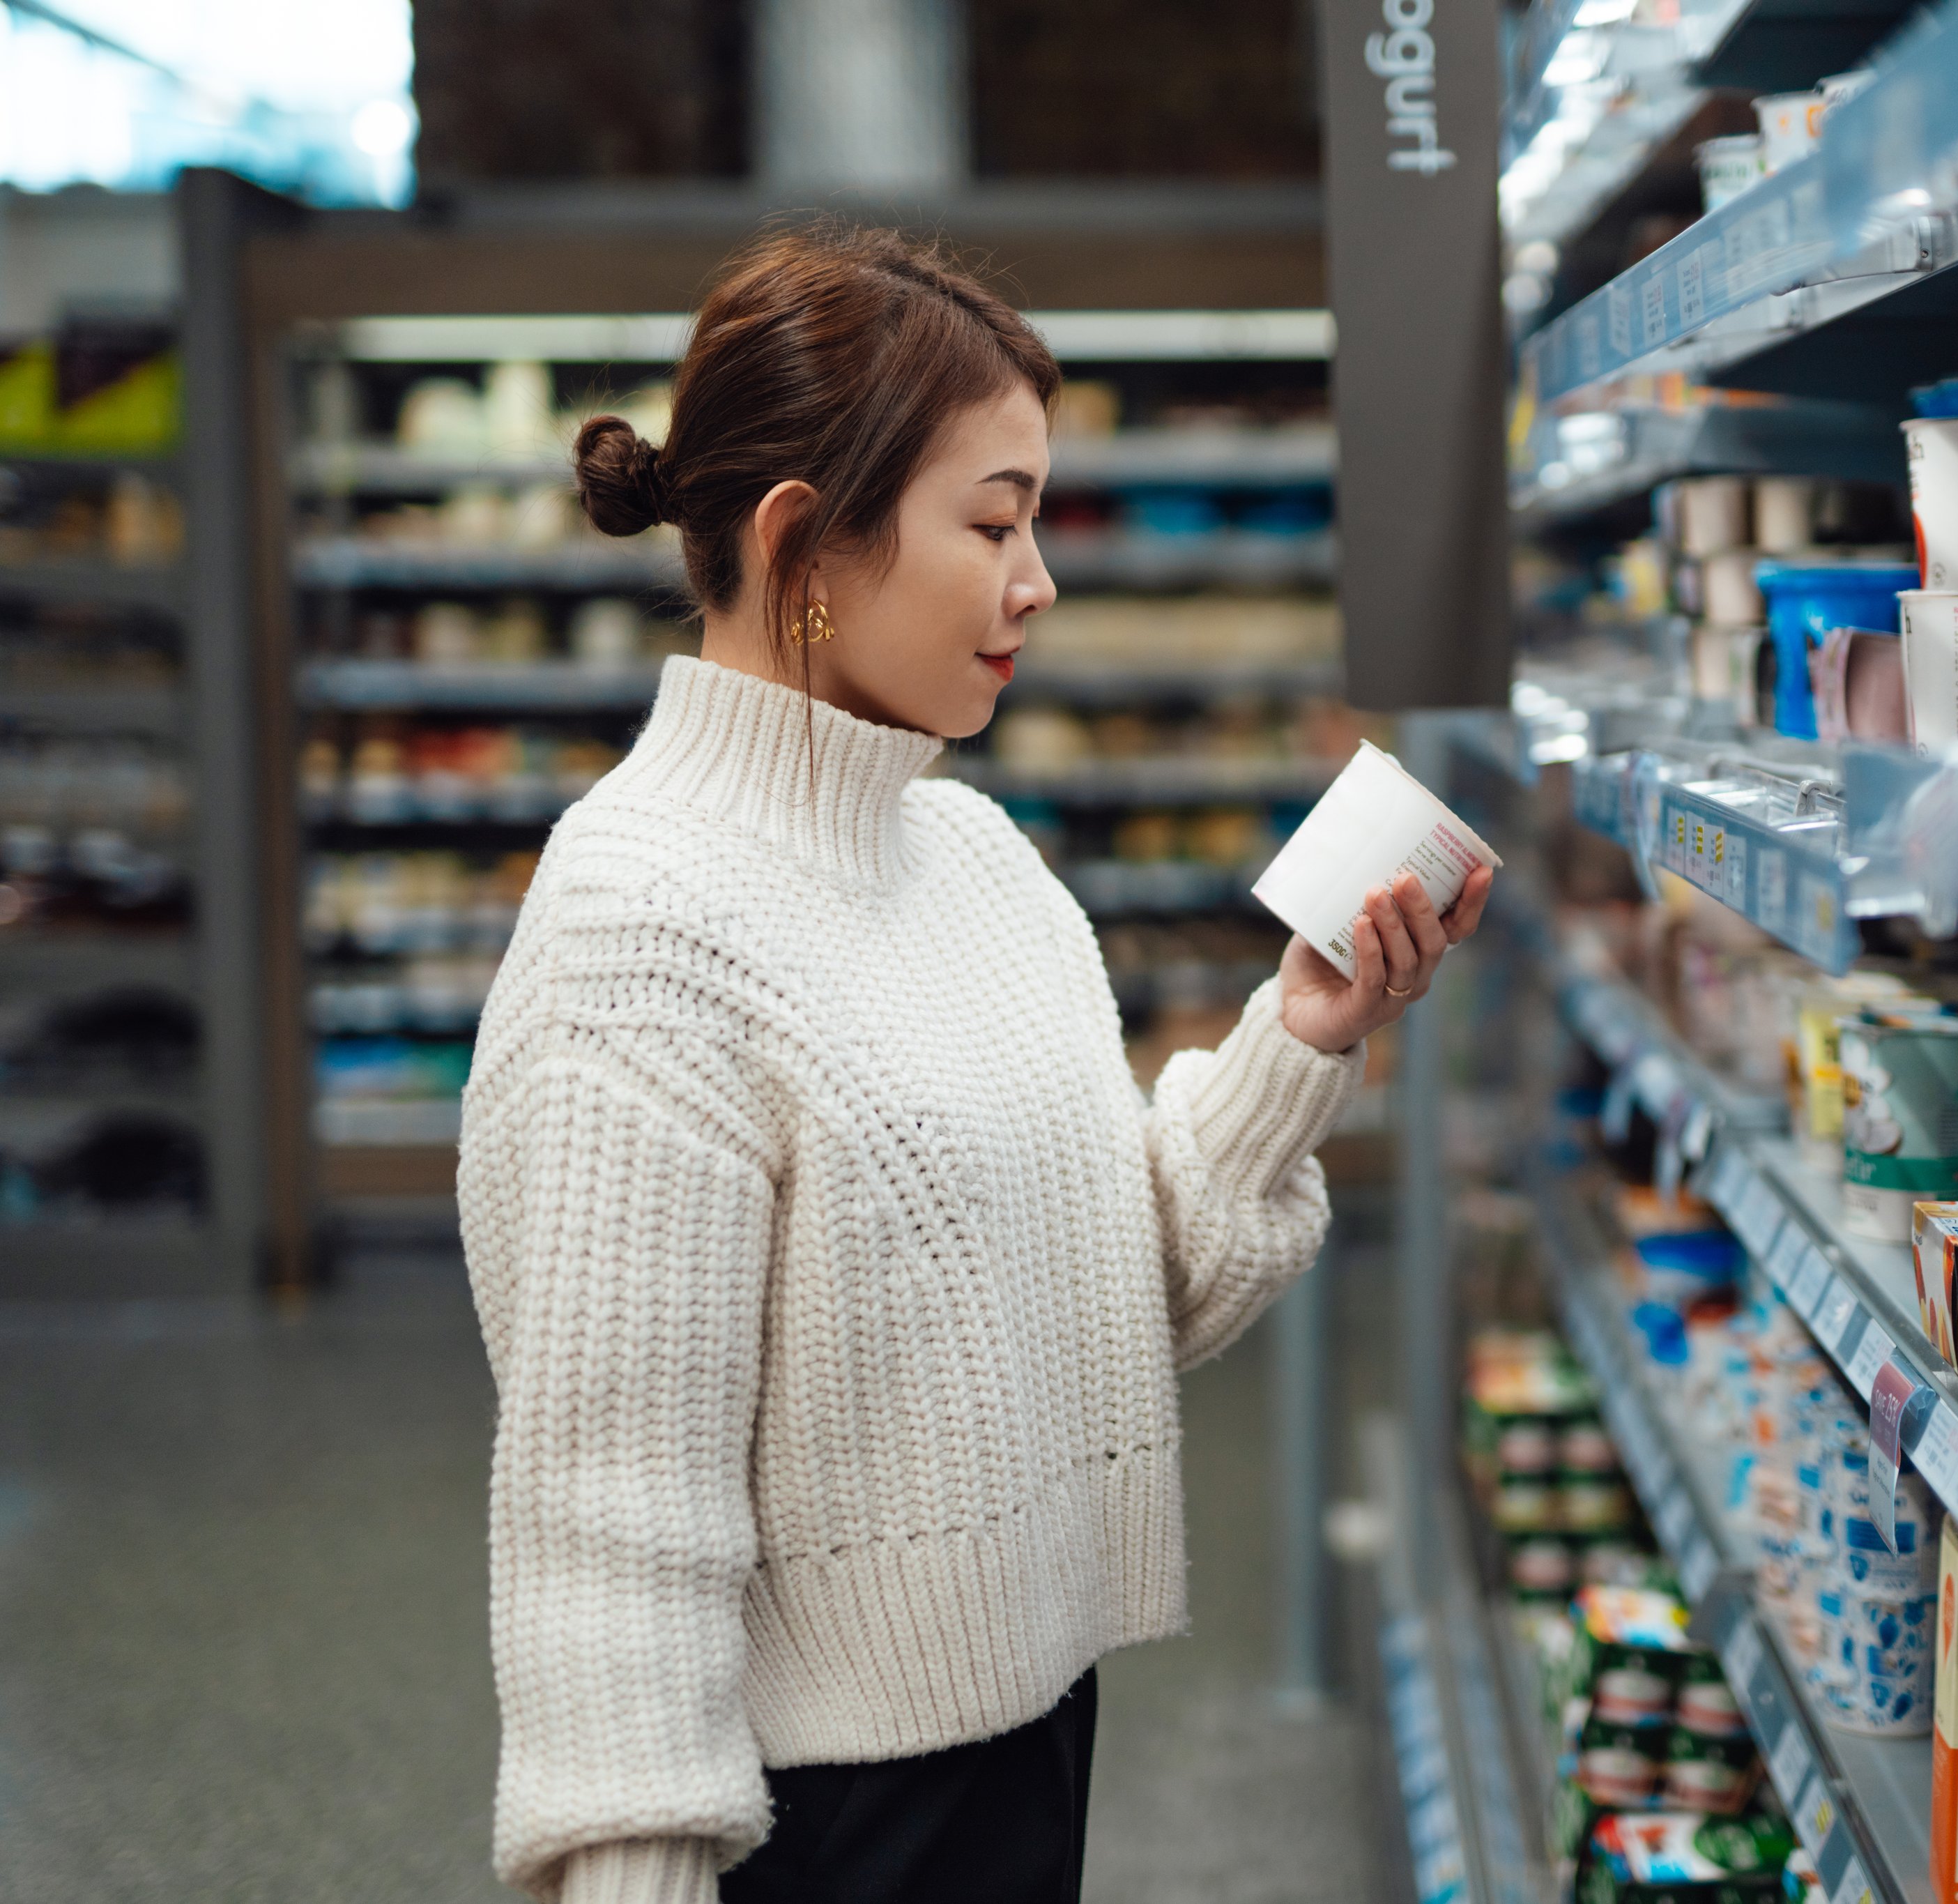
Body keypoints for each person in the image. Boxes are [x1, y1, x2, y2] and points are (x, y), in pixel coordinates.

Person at [458, 222, 1490, 1904]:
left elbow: (1094, 1299)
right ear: (802, 538)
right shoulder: (635, 940)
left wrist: (1300, 1038)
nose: (1038, 580)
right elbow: (609, 1543)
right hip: (813, 1822)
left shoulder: (977, 862)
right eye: (993, 521)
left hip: (1029, 1742)